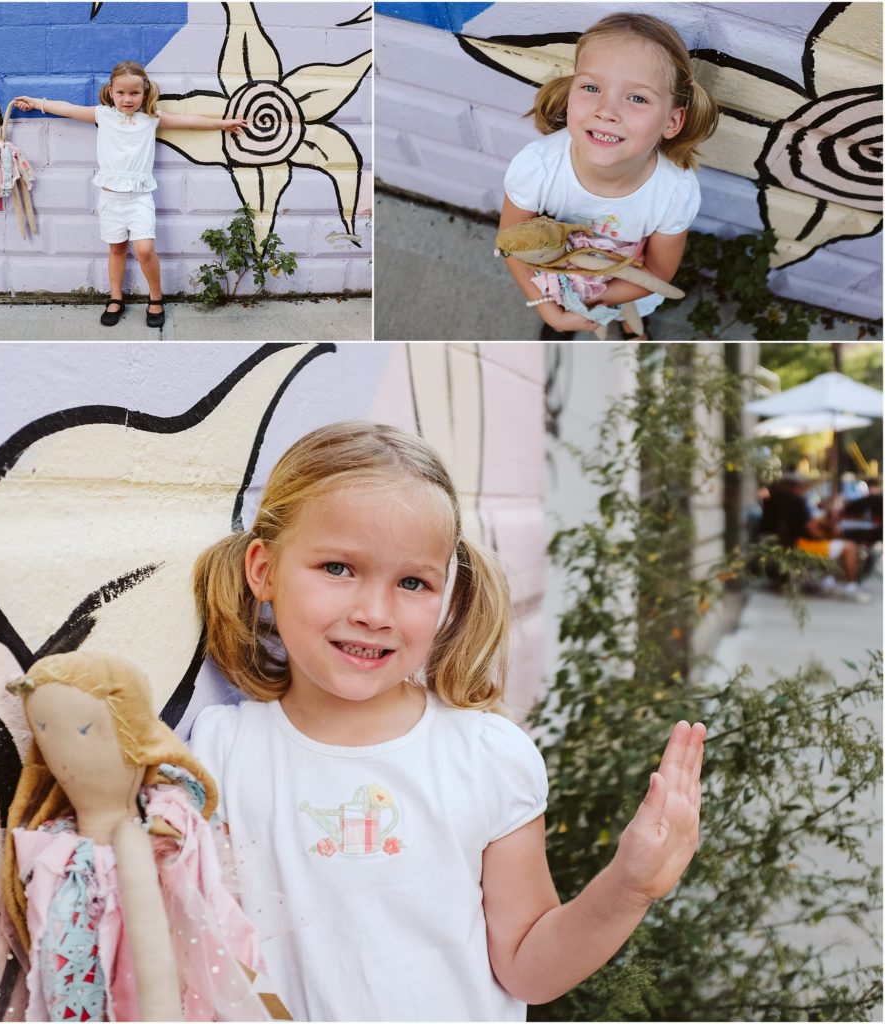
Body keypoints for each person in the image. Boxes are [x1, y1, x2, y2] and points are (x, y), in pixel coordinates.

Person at [189, 421, 706, 1021]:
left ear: (445, 594)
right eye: (338, 568)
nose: (374, 612)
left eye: (412, 582)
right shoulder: (223, 752)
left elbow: (527, 968)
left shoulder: (485, 756)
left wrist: (629, 887)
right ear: (263, 570)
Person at [2, 651, 286, 1022]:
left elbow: (166, 954)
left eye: (84, 732)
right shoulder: (57, 851)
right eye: (44, 731)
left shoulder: (154, 828)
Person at [499, 13, 719, 340]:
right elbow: (511, 245)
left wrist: (588, 295)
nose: (606, 111)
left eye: (637, 98)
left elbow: (658, 272)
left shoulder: (674, 192)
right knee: (563, 316)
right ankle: (564, 320)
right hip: (554, 276)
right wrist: (549, 303)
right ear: (571, 90)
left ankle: (631, 327)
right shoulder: (538, 168)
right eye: (591, 87)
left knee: (633, 309)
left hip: (628, 281)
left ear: (672, 121)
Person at [14, 61, 247, 329]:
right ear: (111, 91)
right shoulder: (103, 115)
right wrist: (35, 102)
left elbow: (188, 121)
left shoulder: (151, 118)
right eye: (121, 93)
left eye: (134, 93)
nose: (127, 99)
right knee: (117, 249)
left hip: (139, 198)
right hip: (110, 199)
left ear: (145, 92)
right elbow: (69, 109)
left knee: (145, 249)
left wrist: (223, 124)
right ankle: (116, 298)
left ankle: (156, 298)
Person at [761, 472, 868, 601]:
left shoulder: (772, 500)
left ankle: (827, 581)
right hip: (801, 545)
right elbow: (810, 529)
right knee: (849, 547)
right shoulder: (796, 501)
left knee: (830, 542)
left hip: (784, 544)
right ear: (798, 487)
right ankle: (851, 588)